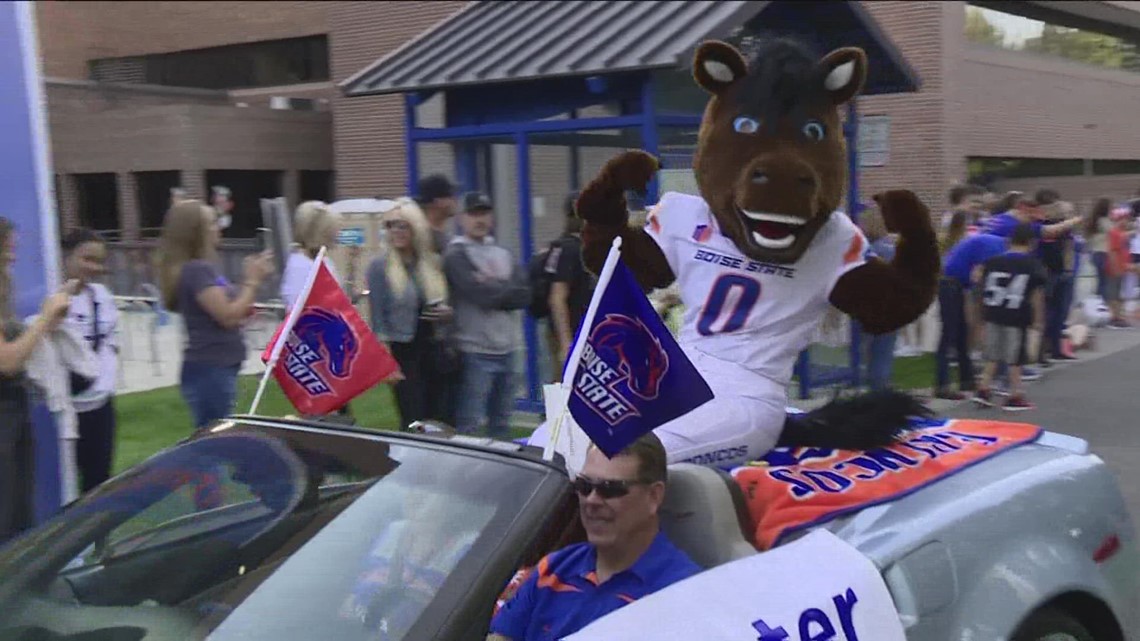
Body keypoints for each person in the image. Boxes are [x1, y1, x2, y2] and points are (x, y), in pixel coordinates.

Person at [487, 432, 701, 641]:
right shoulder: (551, 571)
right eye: (584, 486)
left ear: (654, 496)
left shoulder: (683, 595)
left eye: (610, 489)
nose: (592, 501)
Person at [158, 200, 274, 430]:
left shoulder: (201, 268)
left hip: (216, 368)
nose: (218, 226)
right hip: (210, 370)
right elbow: (227, 317)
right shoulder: (196, 270)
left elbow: (230, 312)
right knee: (213, 442)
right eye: (212, 222)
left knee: (216, 439)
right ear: (196, 232)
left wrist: (246, 297)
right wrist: (253, 280)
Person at [0, 217, 73, 540]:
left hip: (14, 412)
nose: (13, 259)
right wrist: (44, 318)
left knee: (19, 513)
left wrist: (47, 320)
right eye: (7, 251)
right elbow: (9, 361)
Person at [444, 192, 530, 438]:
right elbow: (479, 295)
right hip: (475, 351)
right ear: (462, 218)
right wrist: (503, 290)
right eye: (473, 214)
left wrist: (492, 288)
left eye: (484, 213)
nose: (479, 220)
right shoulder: (456, 254)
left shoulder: (503, 253)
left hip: (509, 348)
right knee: (470, 423)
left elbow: (524, 295)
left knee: (501, 422)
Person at [366, 198, 454, 428]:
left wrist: (446, 314)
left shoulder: (431, 263)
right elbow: (379, 321)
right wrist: (387, 364)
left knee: (438, 418)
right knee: (413, 418)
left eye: (403, 225)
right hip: (404, 350)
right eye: (391, 225)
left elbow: (444, 304)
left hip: (434, 347)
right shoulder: (379, 267)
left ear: (416, 228)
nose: (396, 231)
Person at [61, 228, 120, 492]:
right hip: (67, 411)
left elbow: (112, 343)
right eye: (87, 259)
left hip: (101, 406)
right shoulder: (52, 299)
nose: (95, 267)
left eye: (99, 261)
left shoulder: (101, 296)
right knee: (67, 482)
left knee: (98, 484)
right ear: (65, 256)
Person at [971, 223, 1048, 411]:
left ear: (1009, 241)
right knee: (1015, 357)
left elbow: (977, 278)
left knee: (993, 354)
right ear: (1031, 243)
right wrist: (1038, 319)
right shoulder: (1033, 264)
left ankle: (983, 389)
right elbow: (1036, 294)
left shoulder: (993, 261)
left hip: (994, 310)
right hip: (1016, 313)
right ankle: (1015, 395)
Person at [933, 223, 1006, 400]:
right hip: (950, 284)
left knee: (961, 334)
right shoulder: (994, 247)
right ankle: (942, 385)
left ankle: (967, 380)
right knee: (949, 334)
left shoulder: (992, 242)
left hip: (955, 284)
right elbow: (978, 275)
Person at [547, 192, 595, 370]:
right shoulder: (568, 248)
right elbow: (557, 298)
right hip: (573, 333)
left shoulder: (585, 247)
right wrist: (566, 342)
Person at [280, 200, 342, 310]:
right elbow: (298, 310)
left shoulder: (325, 262)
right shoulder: (301, 266)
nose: (338, 234)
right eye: (333, 230)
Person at [415, 174, 460, 255]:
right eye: (450, 196)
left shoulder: (446, 238)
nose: (455, 200)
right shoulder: (424, 239)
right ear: (438, 202)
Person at [1105, 208, 1134, 329]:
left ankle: (1118, 317)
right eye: (1125, 219)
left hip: (1121, 268)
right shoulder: (1114, 233)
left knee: (1118, 294)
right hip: (1114, 268)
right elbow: (1112, 252)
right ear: (1119, 220)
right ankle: (1115, 318)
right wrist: (1115, 267)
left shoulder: (1121, 233)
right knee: (1114, 294)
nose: (1127, 222)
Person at [1083, 198, 1113, 300]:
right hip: (1104, 254)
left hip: (1095, 254)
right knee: (1105, 282)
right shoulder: (1104, 221)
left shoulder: (1094, 221)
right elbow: (1114, 233)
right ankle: (1102, 304)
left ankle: (1097, 303)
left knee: (1101, 281)